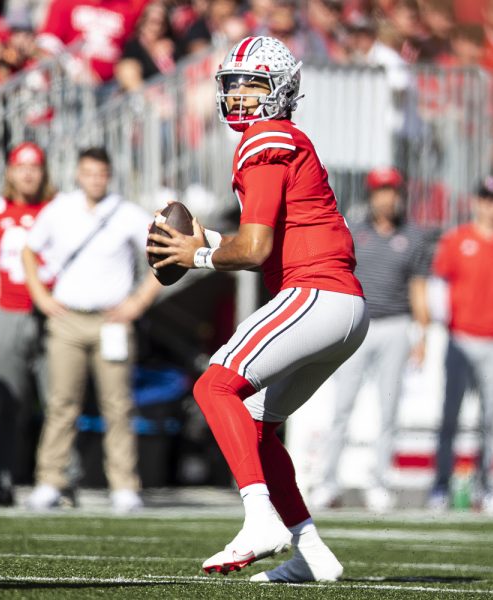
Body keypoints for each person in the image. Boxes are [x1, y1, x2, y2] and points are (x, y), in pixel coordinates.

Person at [147, 36, 367, 582]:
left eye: (253, 83)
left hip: (315, 293)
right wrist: (211, 238)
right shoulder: (283, 138)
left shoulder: (266, 138)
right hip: (339, 304)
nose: (240, 96)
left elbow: (256, 251)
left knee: (214, 386)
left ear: (281, 90)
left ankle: (259, 519)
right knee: (259, 424)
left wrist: (195, 254)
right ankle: (314, 555)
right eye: (234, 84)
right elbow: (266, 240)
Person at [22, 146, 161, 514]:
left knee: (117, 406)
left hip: (111, 320)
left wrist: (138, 302)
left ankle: (124, 485)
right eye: (89, 173)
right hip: (68, 319)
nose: (95, 180)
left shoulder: (126, 213)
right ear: (78, 174)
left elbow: (163, 252)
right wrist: (40, 297)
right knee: (61, 404)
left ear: (109, 176)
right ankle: (50, 481)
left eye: (101, 173)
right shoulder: (60, 208)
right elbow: (29, 250)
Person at [309, 166, 431, 513]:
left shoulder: (415, 237)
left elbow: (418, 289)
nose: (387, 198)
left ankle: (379, 482)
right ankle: (328, 482)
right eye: (381, 191)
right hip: (357, 324)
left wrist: (421, 336)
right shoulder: (354, 232)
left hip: (396, 325)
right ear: (371, 195)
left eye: (392, 191)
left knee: (388, 409)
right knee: (342, 407)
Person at [427, 176, 493, 515]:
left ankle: (487, 486)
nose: (491, 205)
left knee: (489, 419)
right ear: (477, 202)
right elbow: (438, 283)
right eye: (486, 198)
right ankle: (440, 484)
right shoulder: (457, 240)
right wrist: (441, 324)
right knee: (450, 417)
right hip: (460, 338)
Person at [0, 141, 55, 506]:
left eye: (35, 166)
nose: (29, 173)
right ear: (11, 171)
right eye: (22, 166)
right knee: (7, 399)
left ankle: (59, 481)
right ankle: (2, 477)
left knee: (58, 401)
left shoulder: (57, 210)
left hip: (53, 313)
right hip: (9, 310)